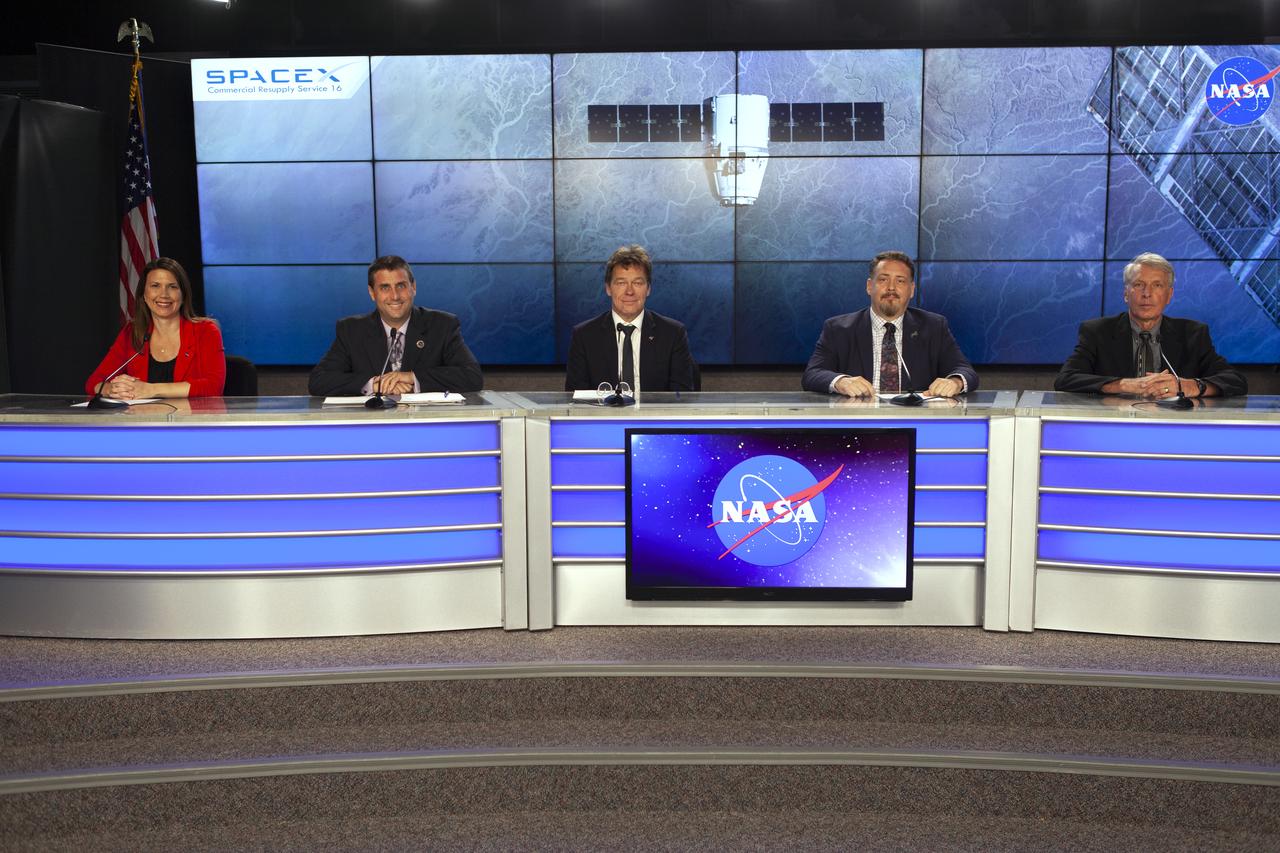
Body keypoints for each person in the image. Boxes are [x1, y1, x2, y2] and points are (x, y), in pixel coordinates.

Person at [1055, 252, 1246, 398]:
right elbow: (1066, 379)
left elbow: (1236, 381)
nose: (1147, 293)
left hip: (1173, 431)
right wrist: (1123, 385)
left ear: (1169, 295)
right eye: (1139, 285)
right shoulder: (1097, 332)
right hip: (1115, 429)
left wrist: (1187, 386)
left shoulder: (1193, 334)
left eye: (1157, 285)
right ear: (1126, 294)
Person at [802, 250, 977, 397]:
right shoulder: (838, 329)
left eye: (900, 281)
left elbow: (965, 370)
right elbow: (812, 374)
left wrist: (955, 382)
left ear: (911, 290)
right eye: (883, 279)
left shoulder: (933, 326)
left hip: (915, 421)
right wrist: (841, 382)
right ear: (870, 286)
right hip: (858, 421)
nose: (891, 288)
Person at [308, 255, 483, 396]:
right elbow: (319, 380)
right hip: (371, 426)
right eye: (385, 287)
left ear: (413, 287)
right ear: (372, 293)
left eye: (401, 286)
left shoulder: (443, 325)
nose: (395, 296)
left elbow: (472, 377)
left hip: (426, 425)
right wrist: (374, 384)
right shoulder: (351, 330)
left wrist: (412, 378)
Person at [564, 244, 698, 393]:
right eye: (621, 283)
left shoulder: (673, 334)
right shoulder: (584, 336)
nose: (629, 291)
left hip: (654, 416)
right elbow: (575, 398)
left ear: (648, 289)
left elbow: (681, 398)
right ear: (608, 288)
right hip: (604, 416)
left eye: (637, 283)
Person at [85, 257, 226, 399]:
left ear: (183, 295)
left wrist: (151, 390)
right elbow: (93, 383)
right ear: (144, 295)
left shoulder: (205, 331)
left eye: (172, 287)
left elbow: (214, 386)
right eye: (155, 286)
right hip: (144, 420)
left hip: (190, 419)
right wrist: (112, 389)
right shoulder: (132, 333)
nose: (164, 294)